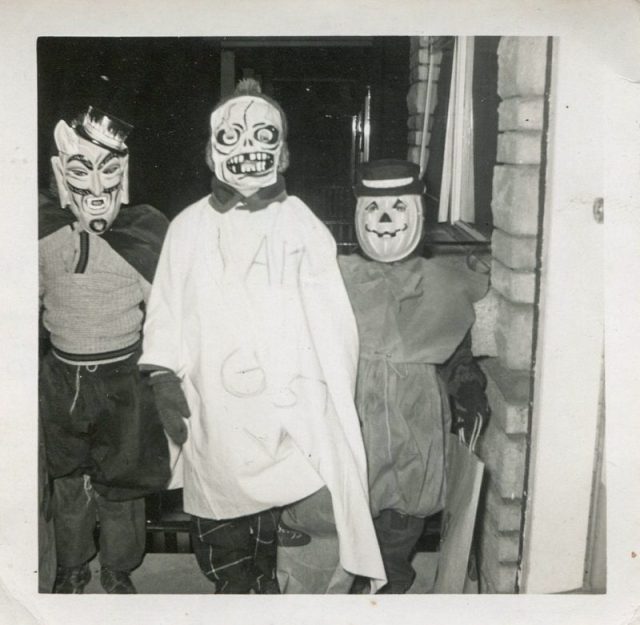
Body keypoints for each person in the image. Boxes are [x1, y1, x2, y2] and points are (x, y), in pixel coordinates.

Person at [138, 79, 386, 594]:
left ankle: (262, 578)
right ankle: (233, 583)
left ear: (284, 152)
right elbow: (164, 304)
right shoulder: (187, 227)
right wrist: (163, 374)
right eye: (231, 138)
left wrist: (323, 383)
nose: (249, 149)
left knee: (276, 491)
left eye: (263, 135)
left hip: (283, 396)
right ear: (210, 155)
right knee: (220, 496)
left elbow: (329, 315)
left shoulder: (301, 225)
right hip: (212, 398)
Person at [338, 159, 490, 593]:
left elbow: (456, 349)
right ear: (359, 213)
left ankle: (392, 578)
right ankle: (355, 576)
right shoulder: (340, 275)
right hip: (358, 406)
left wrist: (467, 386)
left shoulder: (441, 280)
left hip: (415, 410)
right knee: (356, 497)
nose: (385, 220)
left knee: (407, 502)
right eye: (374, 209)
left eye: (397, 208)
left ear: (418, 214)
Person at [39, 107, 171, 593]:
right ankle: (72, 564)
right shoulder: (42, 234)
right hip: (61, 377)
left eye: (108, 171)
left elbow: (166, 309)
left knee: (124, 482)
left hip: (124, 378)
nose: (95, 187)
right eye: (80, 171)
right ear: (59, 173)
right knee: (67, 477)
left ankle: (118, 568)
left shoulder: (142, 233)